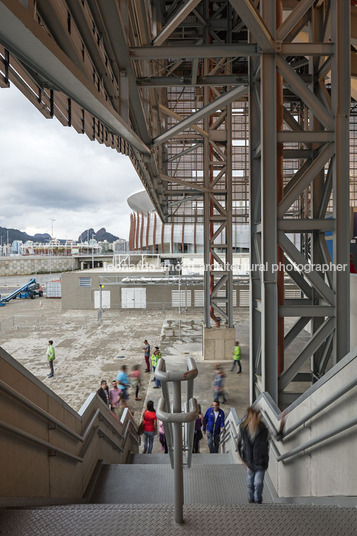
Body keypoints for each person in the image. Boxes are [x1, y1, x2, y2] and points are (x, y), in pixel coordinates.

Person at [237, 406, 269, 504]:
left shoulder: (263, 429)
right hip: (249, 461)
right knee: (250, 483)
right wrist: (242, 459)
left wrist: (282, 424)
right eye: (255, 416)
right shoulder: (243, 428)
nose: (258, 418)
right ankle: (251, 499)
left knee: (258, 483)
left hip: (261, 461)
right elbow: (239, 444)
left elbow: (275, 437)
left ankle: (257, 500)